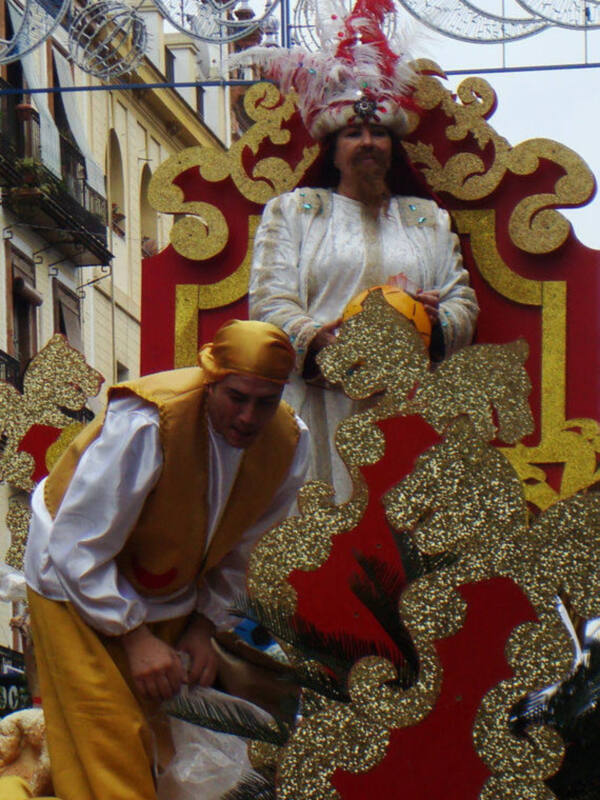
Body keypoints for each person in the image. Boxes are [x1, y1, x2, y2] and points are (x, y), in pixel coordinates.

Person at [23, 319, 309, 800]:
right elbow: (77, 545)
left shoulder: (288, 442)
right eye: (237, 397)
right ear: (210, 379)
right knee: (108, 738)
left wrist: (204, 625)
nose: (248, 416)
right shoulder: (149, 422)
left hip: (170, 596)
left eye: (265, 401)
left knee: (161, 745)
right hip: (69, 581)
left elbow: (244, 552)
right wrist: (134, 638)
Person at [248, 0, 478, 498]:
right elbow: (269, 303)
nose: (368, 141)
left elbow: (462, 303)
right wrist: (322, 342)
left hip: (409, 404)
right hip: (317, 401)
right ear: (333, 147)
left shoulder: (427, 220)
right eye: (354, 132)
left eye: (378, 132)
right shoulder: (295, 211)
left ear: (394, 145)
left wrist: (431, 323)